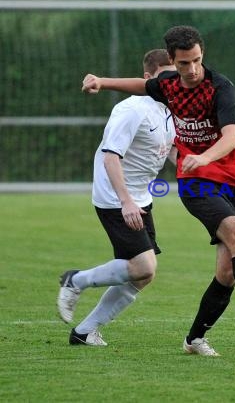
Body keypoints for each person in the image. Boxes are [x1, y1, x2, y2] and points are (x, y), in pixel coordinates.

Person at [81, 25, 235, 356]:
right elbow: (143, 85)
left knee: (228, 270)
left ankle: (194, 340)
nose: (191, 70)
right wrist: (102, 82)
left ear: (203, 54)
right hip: (197, 184)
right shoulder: (169, 83)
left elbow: (231, 138)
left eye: (196, 61)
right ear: (173, 62)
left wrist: (203, 155)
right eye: (184, 63)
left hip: (232, 179)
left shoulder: (221, 88)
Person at [57, 49, 177, 345]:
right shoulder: (131, 109)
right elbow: (111, 157)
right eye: (166, 77)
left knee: (142, 276)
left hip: (141, 196)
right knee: (144, 266)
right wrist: (126, 202)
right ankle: (76, 280)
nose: (172, 83)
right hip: (115, 196)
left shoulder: (170, 108)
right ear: (148, 78)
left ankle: (84, 332)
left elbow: (172, 150)